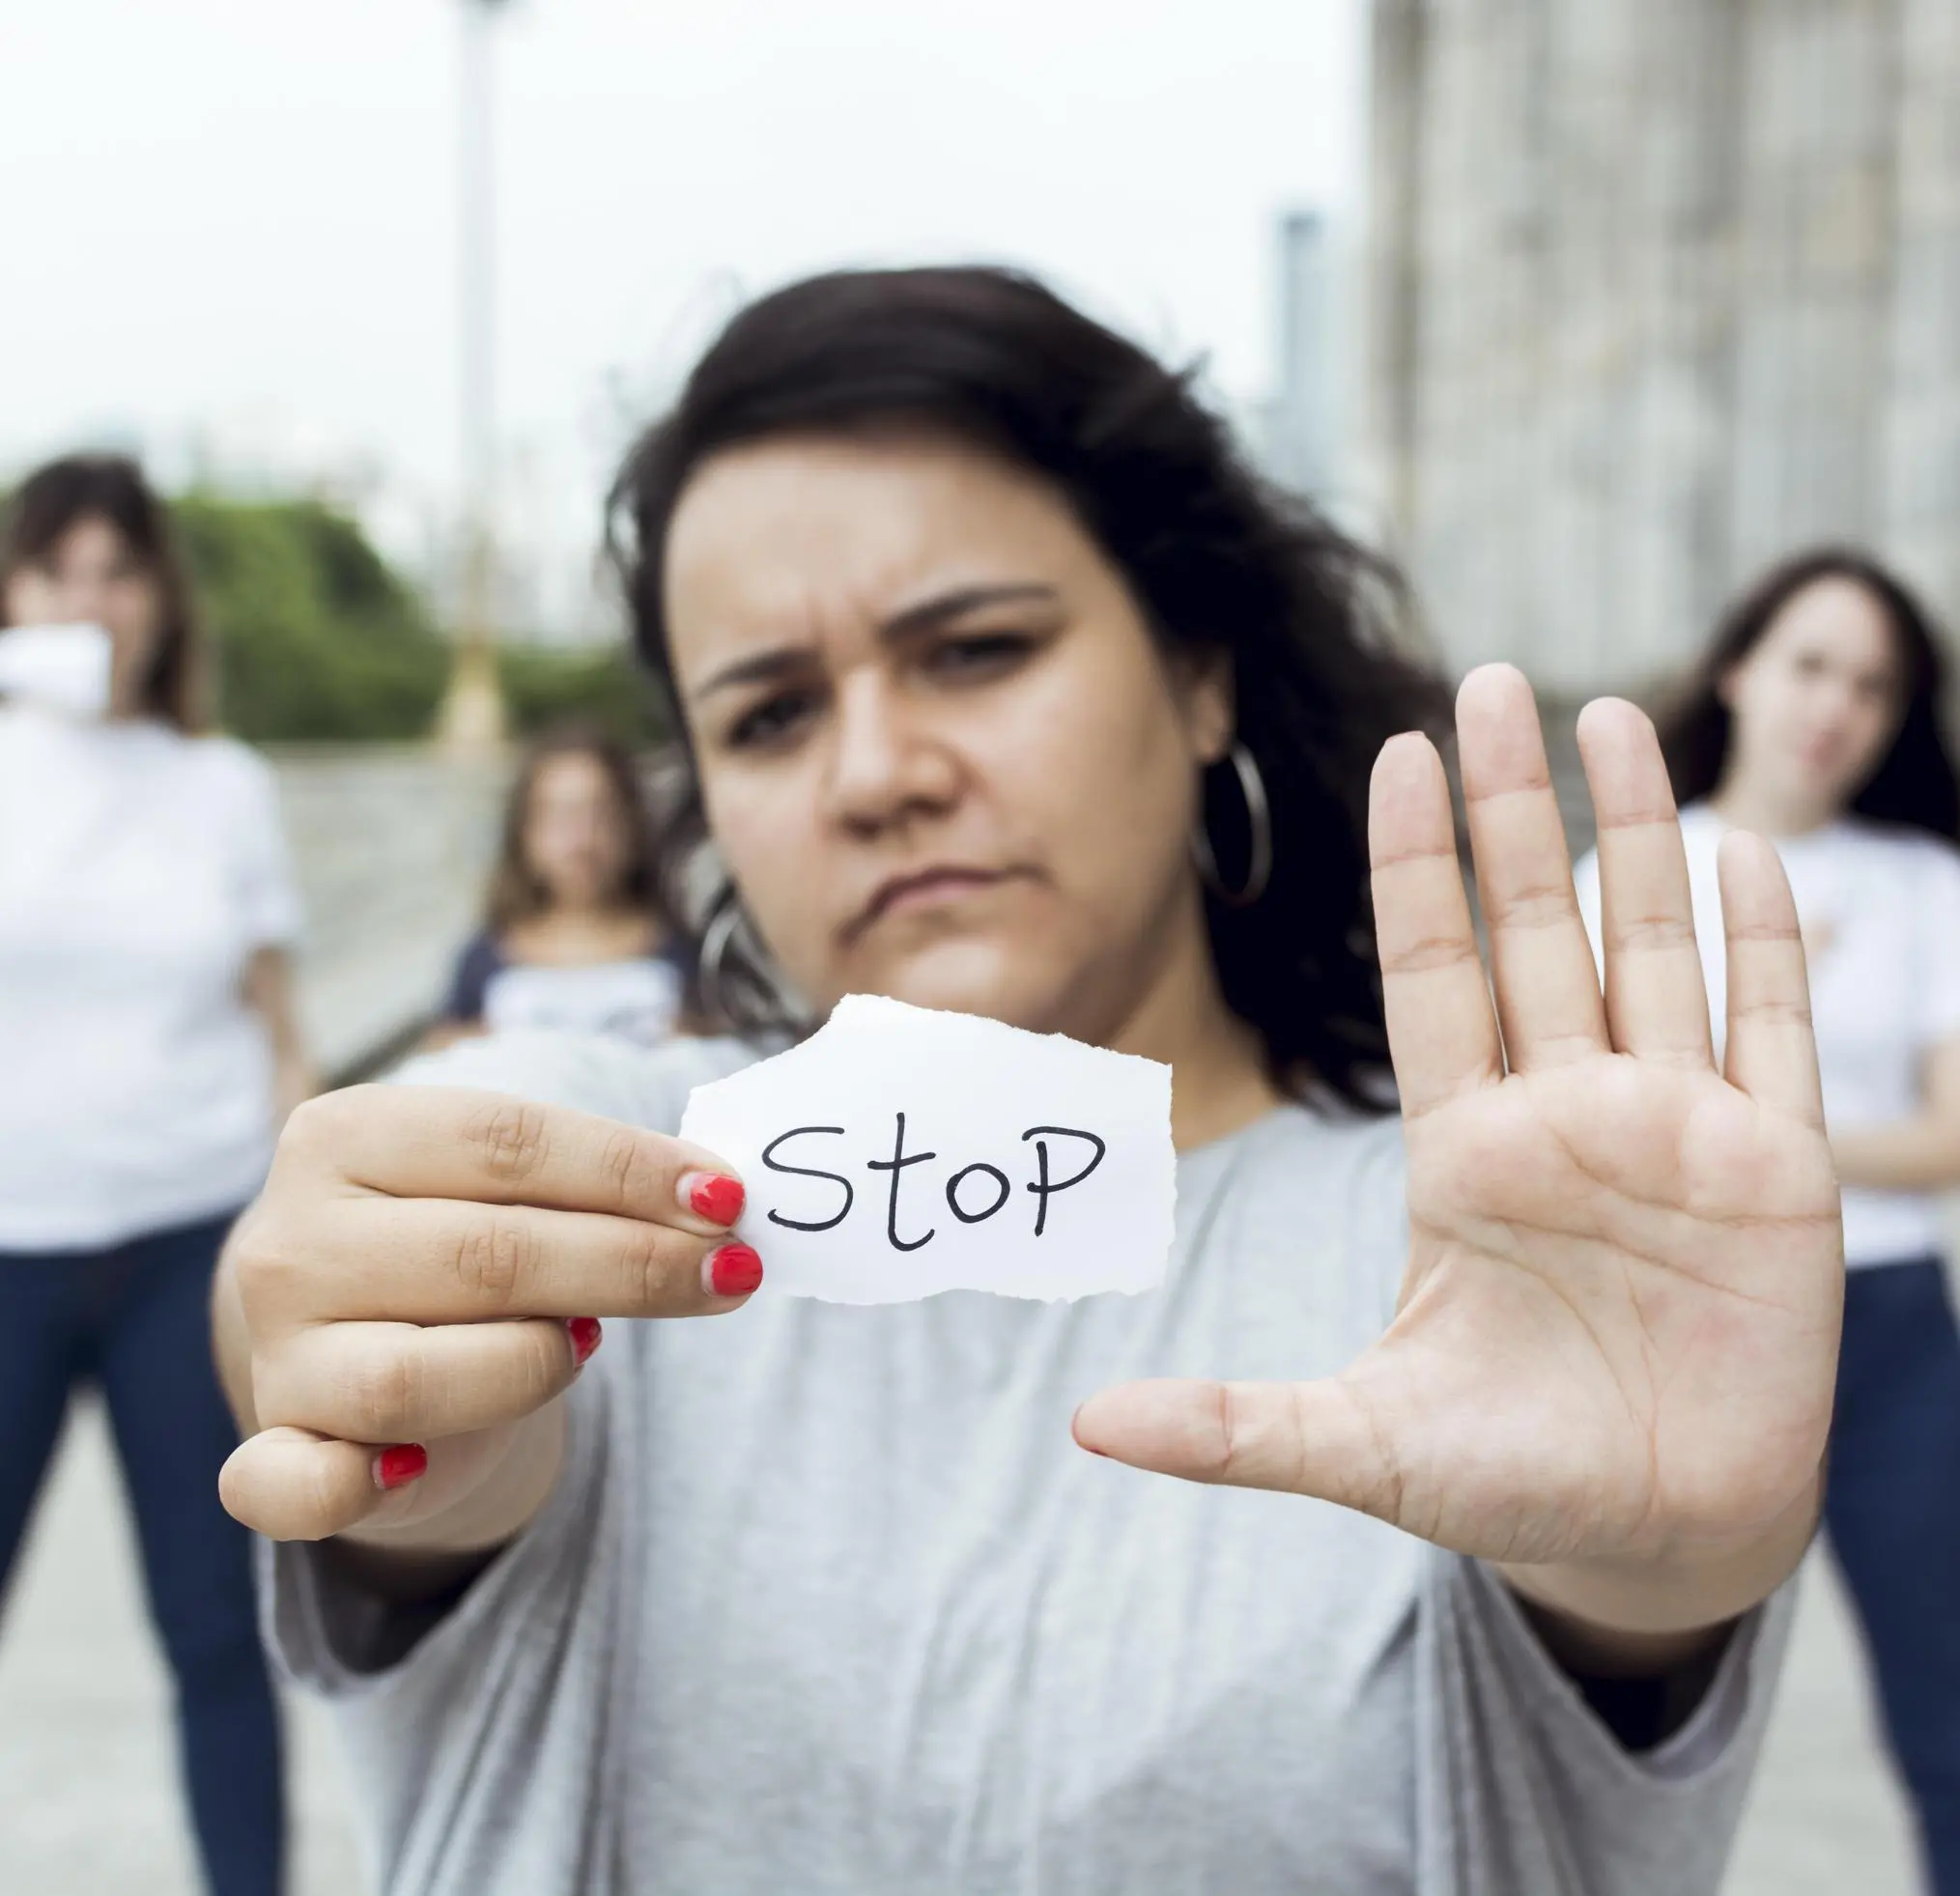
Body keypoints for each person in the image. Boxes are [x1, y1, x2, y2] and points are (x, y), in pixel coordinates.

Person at [215, 270, 1843, 1896]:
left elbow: (1616, 1599)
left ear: (1197, 669)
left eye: (974, 651)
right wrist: (371, 1364)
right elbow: (372, 1315)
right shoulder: (629, 1179)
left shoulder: (1485, 1235)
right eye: (771, 712)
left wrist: (1661, 1574)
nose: (874, 774)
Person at [1576, 548, 1960, 1894]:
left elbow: (1949, 1138)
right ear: (1738, 666)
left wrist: (1745, 1127)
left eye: (1875, 683)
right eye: (1811, 662)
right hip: (1685, 1325)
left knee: (1948, 1701)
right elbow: (1590, 1123)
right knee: (1627, 1714)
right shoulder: (1625, 867)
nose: (1836, 705)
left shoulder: (1922, 879)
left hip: (1893, 1328)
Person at [0, 455, 303, 1896]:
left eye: (119, 570)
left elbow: (277, 1021)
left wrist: (284, 1219)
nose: (94, 599)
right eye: (62, 570)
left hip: (187, 1235)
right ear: (16, 588)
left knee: (212, 1625)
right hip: (9, 1236)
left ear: (160, 597)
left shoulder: (219, 783)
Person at [427, 723, 691, 1051]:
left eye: (601, 814)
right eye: (559, 816)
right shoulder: (482, 958)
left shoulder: (689, 952)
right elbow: (440, 1060)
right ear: (523, 833)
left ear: (632, 824)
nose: (581, 841)